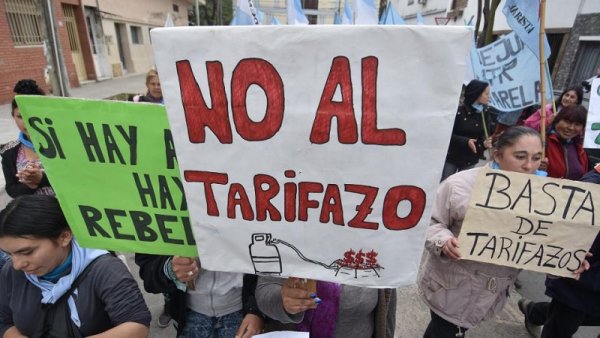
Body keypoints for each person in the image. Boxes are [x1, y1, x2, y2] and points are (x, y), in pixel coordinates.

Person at [419, 126, 589, 337]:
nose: (529, 165)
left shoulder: (544, 198)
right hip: (450, 286)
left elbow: (540, 246)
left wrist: (565, 259)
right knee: (444, 329)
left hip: (490, 292)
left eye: (536, 158)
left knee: (455, 329)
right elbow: (428, 222)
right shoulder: (460, 185)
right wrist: (443, 241)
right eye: (520, 157)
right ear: (498, 155)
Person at [0, 195, 150, 337]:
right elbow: (4, 321)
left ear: (64, 237)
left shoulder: (105, 270)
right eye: (10, 254)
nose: (17, 264)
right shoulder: (11, 273)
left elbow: (136, 326)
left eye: (27, 252)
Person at [518, 164, 600, 338]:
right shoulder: (593, 185)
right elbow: (567, 227)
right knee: (561, 328)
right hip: (581, 279)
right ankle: (538, 312)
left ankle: (536, 311)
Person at [135, 253, 264, 337]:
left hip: (242, 313)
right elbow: (148, 267)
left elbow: (274, 263)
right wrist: (169, 268)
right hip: (187, 312)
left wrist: (257, 310)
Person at [255, 277, 396, 338]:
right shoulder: (289, 227)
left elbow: (387, 311)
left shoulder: (376, 237)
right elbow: (263, 291)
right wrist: (282, 300)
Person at [1, 80, 54, 198]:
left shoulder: (64, 144)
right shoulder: (9, 152)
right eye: (20, 116)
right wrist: (30, 185)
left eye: (32, 115)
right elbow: (11, 189)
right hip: (31, 214)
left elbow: (78, 179)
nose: (27, 123)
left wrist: (42, 179)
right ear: (13, 116)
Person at [441, 79, 493, 181]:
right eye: (486, 94)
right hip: (452, 156)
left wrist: (485, 143)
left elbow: (484, 133)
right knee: (445, 183)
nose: (489, 97)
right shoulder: (458, 110)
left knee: (461, 186)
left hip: (470, 158)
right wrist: (466, 141)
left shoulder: (485, 111)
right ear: (477, 93)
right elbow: (446, 134)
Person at [543, 105, 588, 180]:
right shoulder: (542, 142)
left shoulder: (580, 149)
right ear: (556, 121)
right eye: (567, 122)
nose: (571, 127)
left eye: (577, 124)